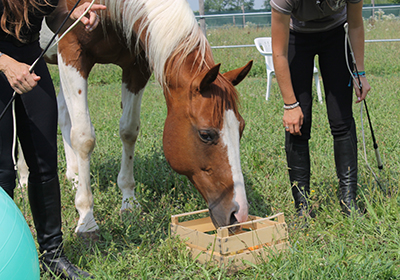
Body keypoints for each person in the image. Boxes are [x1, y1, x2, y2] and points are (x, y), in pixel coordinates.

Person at [0, 0, 106, 279]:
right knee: (2, 172)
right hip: (1, 64)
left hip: (31, 60)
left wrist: (73, 14)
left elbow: (53, 16)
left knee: (45, 163)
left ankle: (52, 255)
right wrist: (6, 64)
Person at [270, 0, 371, 218]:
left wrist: (360, 73)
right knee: (298, 124)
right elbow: (278, 52)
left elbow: (354, 25)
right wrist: (290, 105)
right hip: (297, 38)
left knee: (341, 119)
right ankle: (302, 207)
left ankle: (348, 200)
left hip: (336, 36)